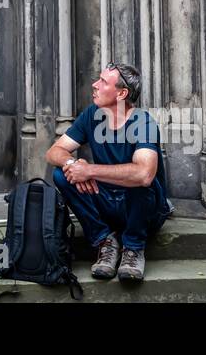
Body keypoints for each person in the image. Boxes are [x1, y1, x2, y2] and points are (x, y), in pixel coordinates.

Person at [44, 63, 173, 281]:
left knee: (139, 181)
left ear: (122, 93)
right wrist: (72, 164)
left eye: (103, 82)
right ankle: (105, 241)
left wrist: (89, 170)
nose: (94, 85)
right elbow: (54, 152)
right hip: (107, 201)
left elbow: (144, 174)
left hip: (143, 208)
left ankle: (133, 248)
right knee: (62, 175)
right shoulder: (92, 115)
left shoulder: (142, 122)